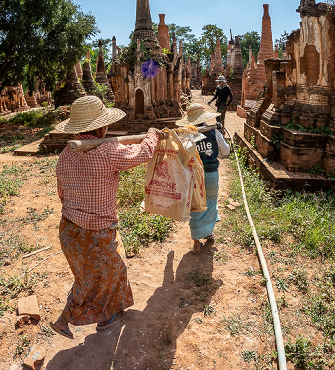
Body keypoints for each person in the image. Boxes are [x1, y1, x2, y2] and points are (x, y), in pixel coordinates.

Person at [51, 96, 161, 338]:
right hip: (96, 234)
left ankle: (110, 312)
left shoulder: (64, 156)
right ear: (101, 127)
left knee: (112, 267)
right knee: (91, 280)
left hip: (69, 230)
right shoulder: (108, 150)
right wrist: (154, 134)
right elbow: (143, 153)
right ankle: (65, 320)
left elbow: (61, 193)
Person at [176, 103, 230, 254]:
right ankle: (208, 232)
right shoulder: (214, 133)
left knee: (195, 207)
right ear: (204, 119)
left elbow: (181, 159)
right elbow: (226, 151)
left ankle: (196, 243)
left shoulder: (186, 136)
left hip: (194, 179)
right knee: (210, 204)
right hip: (211, 175)